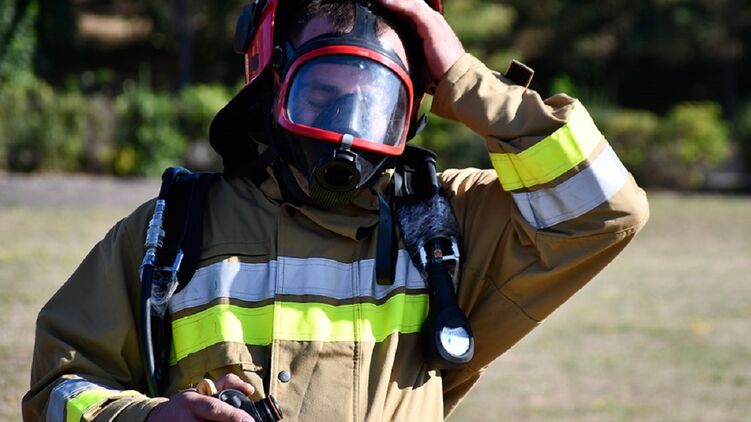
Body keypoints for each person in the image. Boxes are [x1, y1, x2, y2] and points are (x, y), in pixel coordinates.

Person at [23, 0, 649, 420]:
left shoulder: (448, 220)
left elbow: (606, 210)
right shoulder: (169, 231)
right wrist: (150, 418)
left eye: (375, 101)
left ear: (413, 105)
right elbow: (58, 391)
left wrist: (465, 77)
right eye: (321, 93)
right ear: (272, 85)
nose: (346, 131)